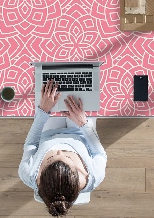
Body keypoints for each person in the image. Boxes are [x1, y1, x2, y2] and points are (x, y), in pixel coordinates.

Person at [19, 79, 107, 216]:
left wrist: (43, 111)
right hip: (80, 132)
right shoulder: (95, 176)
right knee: (84, 90)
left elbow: (31, 144)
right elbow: (99, 154)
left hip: (48, 133)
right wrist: (83, 123)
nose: (59, 150)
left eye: (51, 158)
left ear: (40, 176)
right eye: (67, 157)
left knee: (48, 94)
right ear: (79, 174)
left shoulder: (28, 174)